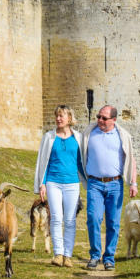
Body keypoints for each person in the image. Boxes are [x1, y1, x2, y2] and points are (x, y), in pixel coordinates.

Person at [83, 104, 137, 271]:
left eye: (104, 118)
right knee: (93, 218)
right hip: (94, 184)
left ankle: (109, 258)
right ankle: (94, 255)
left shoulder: (123, 136)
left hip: (115, 184)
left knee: (113, 223)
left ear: (113, 120)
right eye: (98, 117)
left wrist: (133, 183)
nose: (100, 120)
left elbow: (131, 160)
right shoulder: (89, 133)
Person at [34, 104, 86, 268]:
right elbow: (44, 162)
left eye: (61, 116)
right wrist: (42, 184)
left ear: (69, 118)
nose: (58, 119)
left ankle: (68, 256)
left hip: (72, 183)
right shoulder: (49, 137)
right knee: (56, 218)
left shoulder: (78, 138)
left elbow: (81, 163)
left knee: (70, 220)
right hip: (53, 182)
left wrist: (89, 182)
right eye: (56, 116)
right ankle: (58, 254)